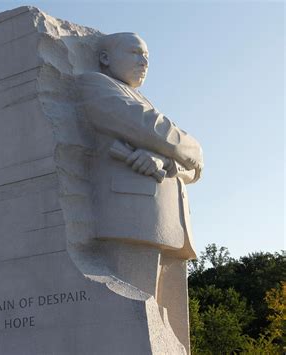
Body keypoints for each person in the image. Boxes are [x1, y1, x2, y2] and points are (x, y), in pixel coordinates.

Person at [76, 32, 204, 349]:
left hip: (168, 224)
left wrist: (166, 161)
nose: (144, 61)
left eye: (147, 55)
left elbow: (192, 169)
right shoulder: (96, 84)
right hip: (131, 218)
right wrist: (193, 148)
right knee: (133, 322)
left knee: (166, 330)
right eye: (135, 52)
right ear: (105, 58)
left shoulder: (142, 99)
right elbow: (152, 128)